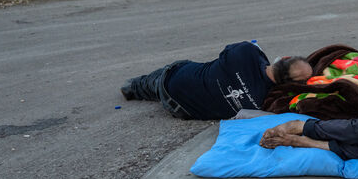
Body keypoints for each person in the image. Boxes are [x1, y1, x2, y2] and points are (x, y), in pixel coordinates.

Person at [120, 42, 312, 120]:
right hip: (183, 111)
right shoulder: (265, 102)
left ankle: (134, 87)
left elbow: (225, 54)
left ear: (285, 58)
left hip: (174, 79)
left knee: (154, 81)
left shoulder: (246, 52)